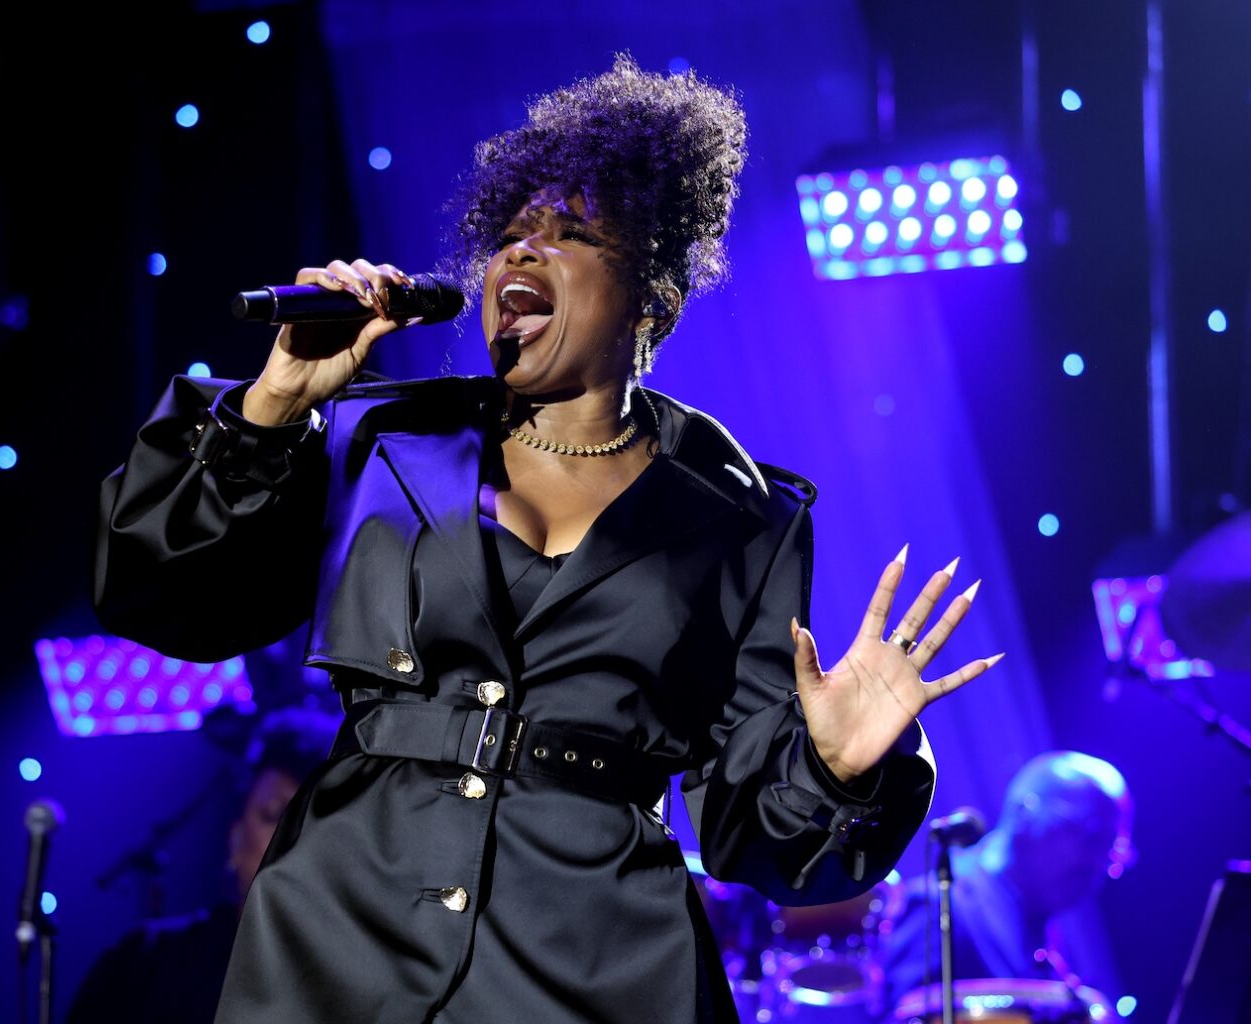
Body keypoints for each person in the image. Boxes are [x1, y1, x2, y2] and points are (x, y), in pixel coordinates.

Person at [93, 56, 1001, 1024]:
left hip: (598, 960)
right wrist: (272, 407)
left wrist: (835, 766)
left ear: (654, 299)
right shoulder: (370, 438)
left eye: (569, 236)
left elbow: (759, 838)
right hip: (342, 938)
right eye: (512, 234)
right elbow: (165, 599)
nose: (521, 256)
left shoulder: (741, 518)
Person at [65, 708, 338, 1024]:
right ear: (235, 839)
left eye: (313, 823)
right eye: (274, 816)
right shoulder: (145, 965)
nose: (292, 841)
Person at [879, 751, 1134, 1018]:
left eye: (1112, 851)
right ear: (1026, 812)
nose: (1096, 863)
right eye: (1090, 834)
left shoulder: (1047, 945)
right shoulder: (939, 905)